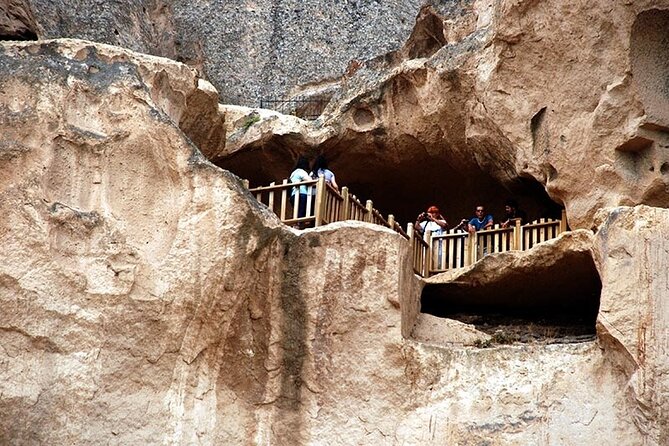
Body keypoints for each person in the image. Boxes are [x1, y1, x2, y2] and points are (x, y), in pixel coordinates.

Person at [290, 156, 312, 225]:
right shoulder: (301, 171)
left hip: (293, 194)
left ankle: (297, 223)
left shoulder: (293, 173)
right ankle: (299, 224)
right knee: (302, 210)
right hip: (301, 193)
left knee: (297, 210)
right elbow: (309, 180)